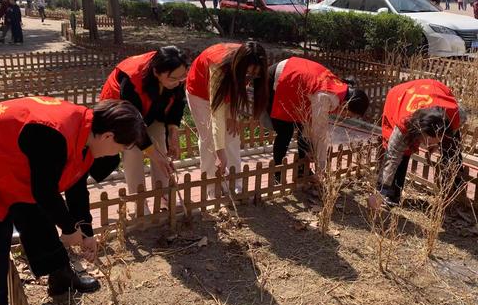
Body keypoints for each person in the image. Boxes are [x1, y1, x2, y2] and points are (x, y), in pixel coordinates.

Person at [0, 97, 146, 305]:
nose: (117, 155)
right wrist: (68, 229)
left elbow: (76, 187)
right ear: (109, 135)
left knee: (39, 219)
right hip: (3, 166)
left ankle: (61, 277)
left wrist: (84, 231)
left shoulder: (86, 134)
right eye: (120, 148)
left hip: (15, 170)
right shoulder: (53, 133)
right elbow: (44, 191)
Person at [100, 47, 188, 212]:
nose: (178, 82)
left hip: (152, 109)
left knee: (160, 141)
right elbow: (134, 125)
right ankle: (138, 202)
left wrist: (173, 134)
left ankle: (163, 195)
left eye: (181, 77)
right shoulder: (132, 79)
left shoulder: (176, 76)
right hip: (121, 112)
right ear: (156, 72)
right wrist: (154, 155)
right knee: (132, 148)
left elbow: (177, 103)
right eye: (173, 79)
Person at [186, 42, 268, 196]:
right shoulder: (218, 67)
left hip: (228, 90)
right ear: (240, 66)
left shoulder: (249, 63)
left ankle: (234, 182)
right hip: (201, 94)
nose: (250, 79)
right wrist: (220, 152)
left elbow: (236, 89)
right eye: (247, 74)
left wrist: (232, 114)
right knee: (210, 138)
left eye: (254, 75)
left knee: (232, 133)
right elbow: (216, 114)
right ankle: (211, 187)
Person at [266, 57, 369, 179]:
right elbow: (319, 134)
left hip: (294, 79)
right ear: (346, 105)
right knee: (285, 131)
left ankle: (302, 169)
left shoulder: (338, 90)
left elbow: (311, 126)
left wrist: (310, 148)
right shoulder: (325, 97)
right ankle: (277, 174)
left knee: (303, 128)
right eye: (349, 114)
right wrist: (321, 169)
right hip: (280, 76)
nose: (345, 117)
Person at [369, 79, 465, 209]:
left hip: (435, 89)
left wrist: (437, 144)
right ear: (418, 131)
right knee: (401, 153)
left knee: (452, 149)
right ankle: (391, 195)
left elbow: (450, 137)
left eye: (437, 139)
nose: (429, 145)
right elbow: (392, 157)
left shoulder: (455, 117)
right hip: (401, 95)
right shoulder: (404, 125)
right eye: (427, 141)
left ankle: (455, 190)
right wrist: (381, 191)